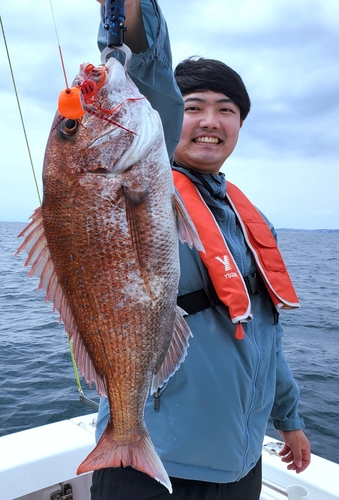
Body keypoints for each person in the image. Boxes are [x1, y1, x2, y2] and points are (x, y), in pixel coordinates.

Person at [91, 1, 311, 499]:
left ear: (240, 124)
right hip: (151, 465)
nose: (210, 121)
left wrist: (289, 418)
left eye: (226, 109)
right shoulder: (141, 184)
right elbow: (146, 82)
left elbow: (262, 334)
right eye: (193, 108)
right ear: (168, 114)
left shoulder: (247, 218)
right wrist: (130, 17)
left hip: (241, 463)